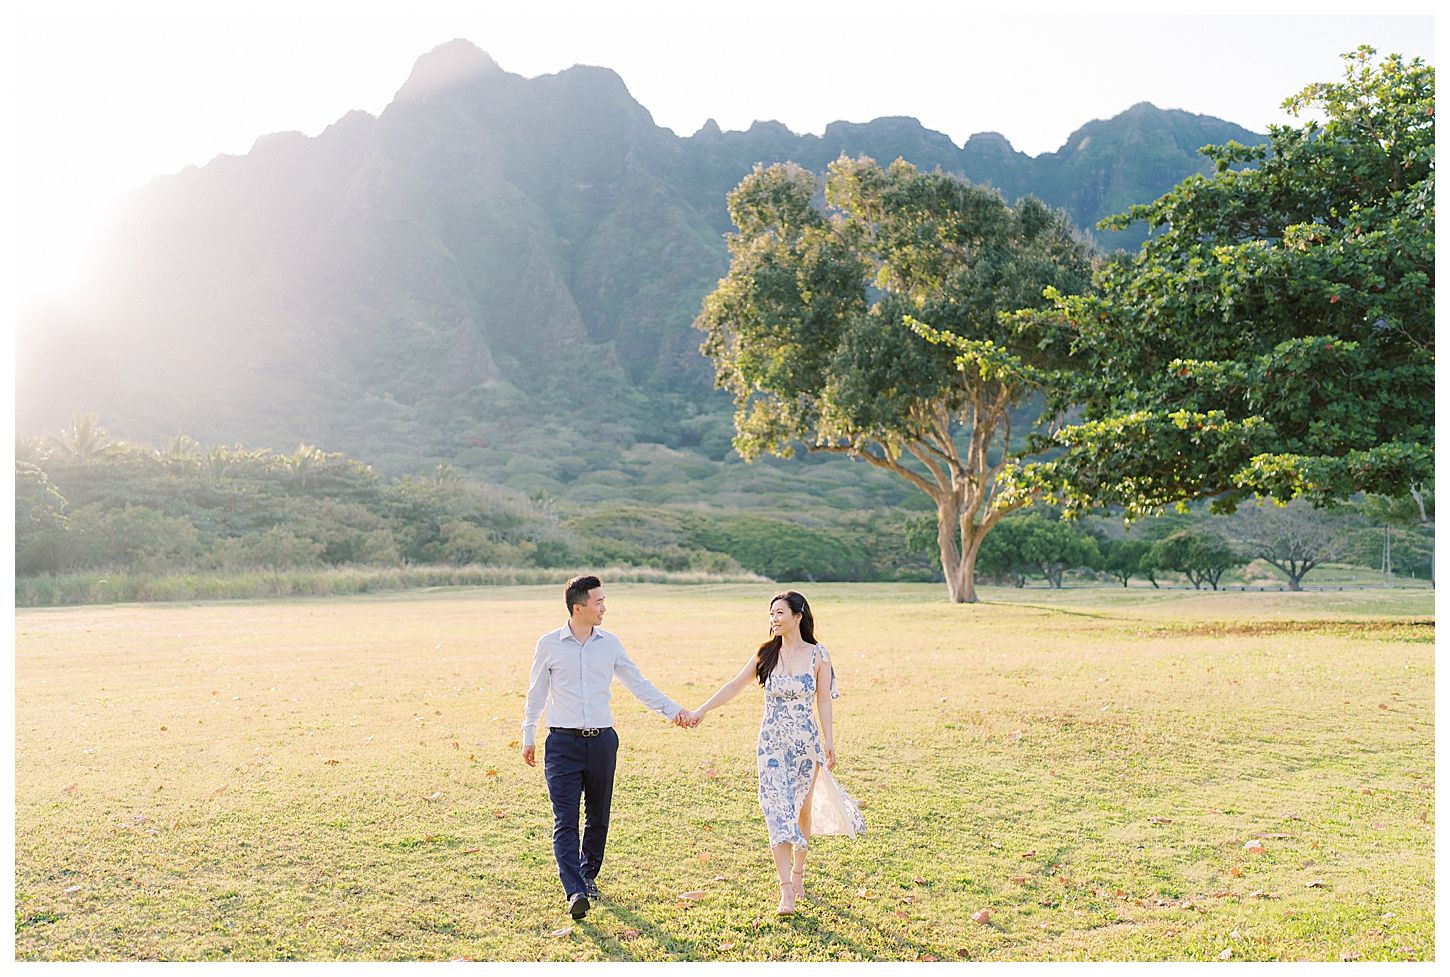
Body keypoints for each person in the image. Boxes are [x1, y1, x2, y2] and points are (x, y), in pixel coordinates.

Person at [521, 574, 695, 920]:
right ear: (578, 607)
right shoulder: (549, 644)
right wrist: (528, 735)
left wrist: (674, 711)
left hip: (602, 741)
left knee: (598, 816)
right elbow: (536, 692)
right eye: (598, 602)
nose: (604, 607)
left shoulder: (610, 644)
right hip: (562, 744)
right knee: (565, 819)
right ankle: (574, 891)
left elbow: (638, 683)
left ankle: (588, 876)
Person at [681, 590, 865, 915]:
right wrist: (702, 709)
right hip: (771, 744)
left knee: (801, 811)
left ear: (798, 616)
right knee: (776, 809)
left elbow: (823, 700)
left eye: (780, 613)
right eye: (771, 614)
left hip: (805, 743)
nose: (774, 619)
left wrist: (829, 740)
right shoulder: (766, 653)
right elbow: (734, 685)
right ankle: (786, 892)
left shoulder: (818, 655)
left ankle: (798, 874)